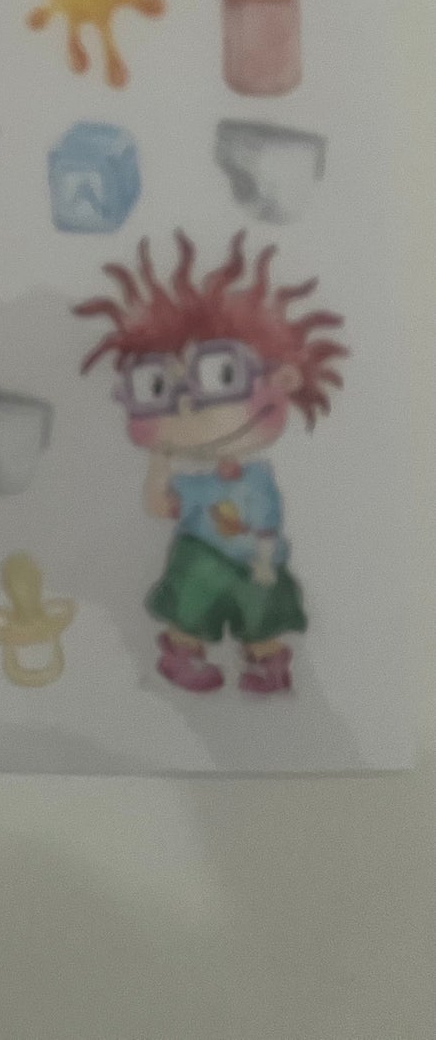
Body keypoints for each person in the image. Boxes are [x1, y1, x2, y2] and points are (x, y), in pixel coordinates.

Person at [75, 231, 348, 695]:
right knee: (191, 598)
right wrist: (159, 465)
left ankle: (267, 661)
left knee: (261, 612)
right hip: (201, 556)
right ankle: (182, 654)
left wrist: (265, 557)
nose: (187, 405)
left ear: (283, 378)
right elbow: (160, 506)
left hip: (256, 562)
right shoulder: (195, 486)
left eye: (221, 374)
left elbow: (267, 523)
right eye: (156, 386)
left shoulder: (258, 478)